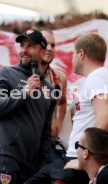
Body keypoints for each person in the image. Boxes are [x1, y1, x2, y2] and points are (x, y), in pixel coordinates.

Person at [26, 33, 108, 184]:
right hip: (77, 158)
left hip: (80, 162)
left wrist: (86, 159)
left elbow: (106, 119)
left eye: (73, 53)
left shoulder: (98, 77)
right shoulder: (100, 77)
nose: (72, 58)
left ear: (81, 53)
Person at [0, 29, 56, 184]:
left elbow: (46, 132)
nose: (24, 50)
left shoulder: (50, 89)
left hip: (29, 166)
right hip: (3, 156)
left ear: (42, 52)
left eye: (30, 46)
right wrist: (24, 92)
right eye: (22, 45)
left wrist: (40, 166)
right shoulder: (6, 73)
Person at [41, 30, 68, 161]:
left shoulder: (60, 77)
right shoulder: (20, 75)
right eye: (45, 44)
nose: (49, 49)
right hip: (27, 147)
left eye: (53, 45)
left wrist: (58, 124)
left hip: (50, 145)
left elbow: (62, 102)